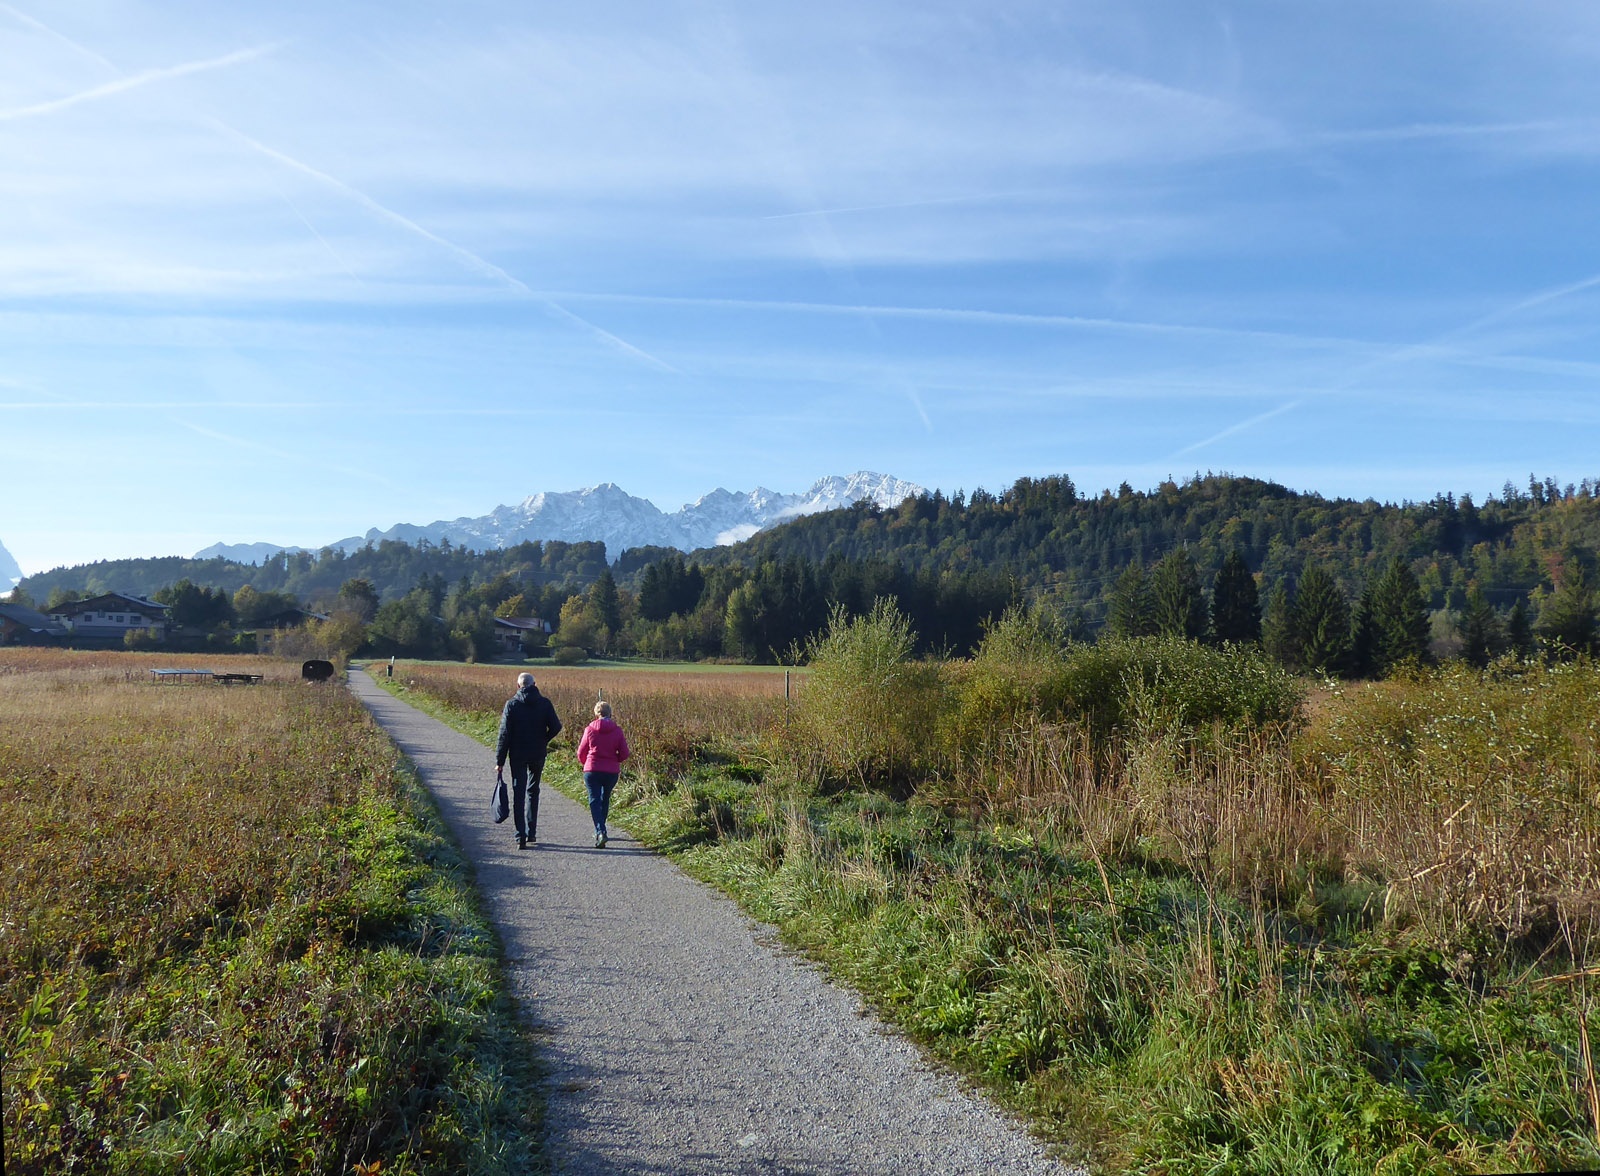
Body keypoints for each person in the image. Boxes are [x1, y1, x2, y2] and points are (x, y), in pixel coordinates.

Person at [496, 672, 562, 850]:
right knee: (533, 790)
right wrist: (544, 739)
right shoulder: (545, 703)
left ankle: (521, 836)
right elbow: (556, 726)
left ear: (518, 686)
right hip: (538, 753)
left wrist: (499, 760)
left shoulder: (512, 705)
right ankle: (531, 831)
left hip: (517, 754)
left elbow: (504, 734)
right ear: (535, 684)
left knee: (519, 792)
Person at [575, 700, 630, 848]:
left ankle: (600, 831)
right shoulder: (617, 730)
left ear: (596, 714)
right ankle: (601, 830)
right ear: (610, 713)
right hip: (611, 771)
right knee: (605, 799)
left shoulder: (589, 729)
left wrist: (585, 762)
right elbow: (625, 753)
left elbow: (581, 752)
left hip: (592, 769)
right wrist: (615, 760)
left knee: (594, 800)